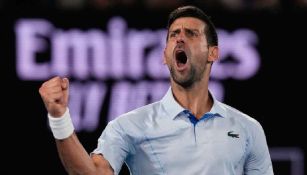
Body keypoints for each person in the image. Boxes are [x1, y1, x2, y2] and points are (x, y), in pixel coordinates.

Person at [39, 5, 274, 175]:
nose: (180, 39)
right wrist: (60, 118)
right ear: (164, 56)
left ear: (213, 53)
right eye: (174, 35)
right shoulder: (129, 126)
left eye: (191, 34)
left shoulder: (248, 129)